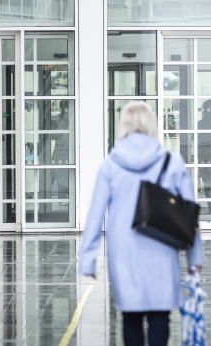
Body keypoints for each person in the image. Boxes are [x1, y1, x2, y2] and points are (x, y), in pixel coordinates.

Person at [80, 101, 204, 346]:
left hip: (124, 249)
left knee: (131, 316)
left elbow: (95, 214)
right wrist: (195, 258)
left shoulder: (110, 165)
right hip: (162, 244)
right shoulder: (172, 161)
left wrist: (88, 259)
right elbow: (189, 212)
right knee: (160, 314)